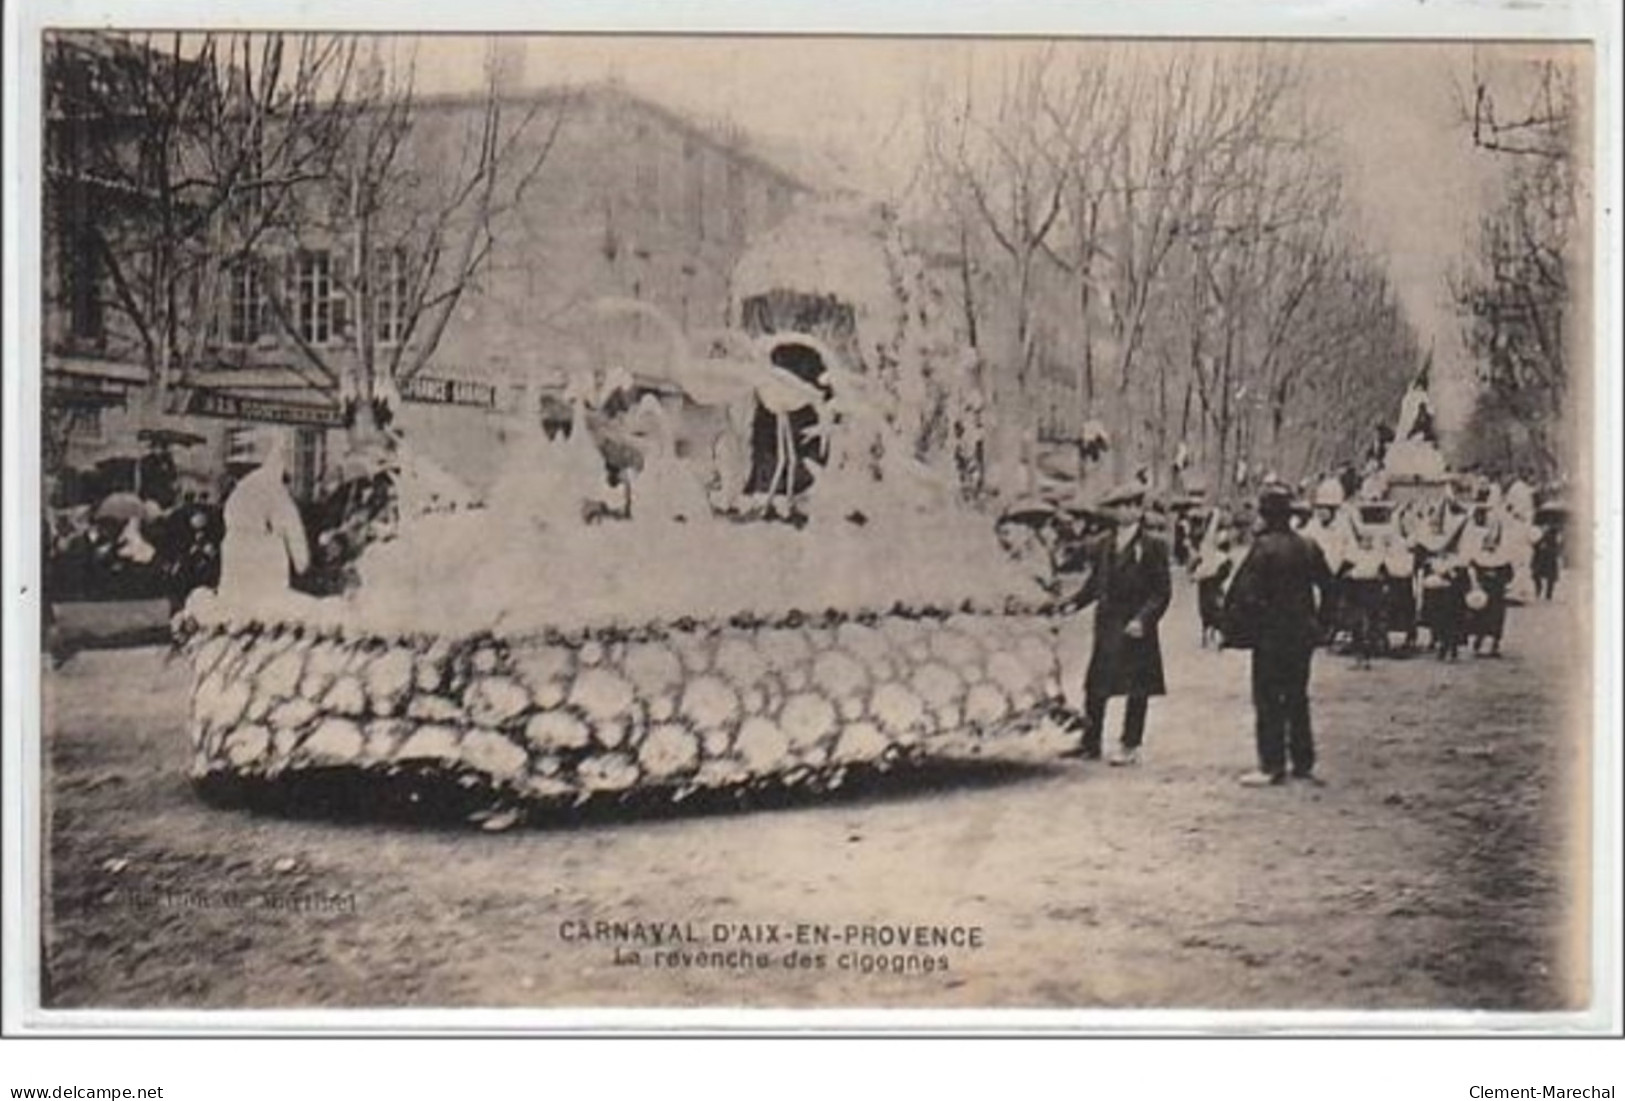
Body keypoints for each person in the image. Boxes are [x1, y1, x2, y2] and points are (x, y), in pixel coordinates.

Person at [1222, 480, 1332, 787]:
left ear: (1266, 515)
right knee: (1297, 697)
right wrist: (1321, 622)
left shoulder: (1263, 549)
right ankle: (1303, 762)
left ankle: (1271, 765)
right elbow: (1330, 586)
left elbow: (1245, 594)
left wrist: (1240, 628)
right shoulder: (1309, 546)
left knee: (1268, 698)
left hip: (1270, 637)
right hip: (1302, 636)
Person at [1059, 482, 1172, 766]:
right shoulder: (1105, 543)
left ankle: (1130, 744)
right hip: (1108, 623)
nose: (1123, 512)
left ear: (1137, 509)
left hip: (1135, 627)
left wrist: (1143, 619)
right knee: (1096, 684)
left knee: (1137, 688)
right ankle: (1090, 741)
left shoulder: (1153, 545)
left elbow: (1161, 592)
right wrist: (1074, 602)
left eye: (1129, 506)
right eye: (1118, 507)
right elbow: (1095, 582)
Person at [218, 429, 310, 604]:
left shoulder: (240, 490)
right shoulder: (276, 489)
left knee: (235, 599)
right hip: (260, 551)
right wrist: (301, 564)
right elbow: (293, 528)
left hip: (234, 547)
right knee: (268, 601)